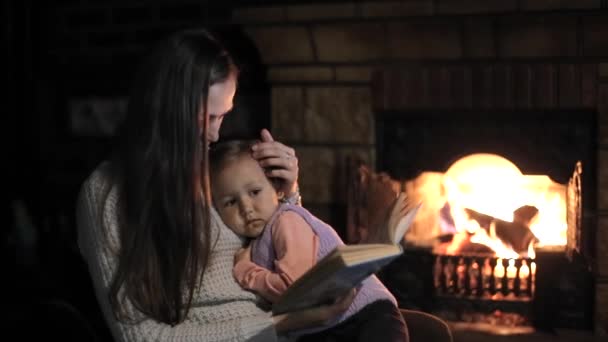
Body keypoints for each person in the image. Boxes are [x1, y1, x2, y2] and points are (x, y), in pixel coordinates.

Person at [75, 29, 355, 342]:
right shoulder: (105, 194)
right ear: (166, 114)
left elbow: (277, 256)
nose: (215, 135)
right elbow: (142, 336)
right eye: (205, 119)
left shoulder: (220, 172)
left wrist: (287, 196)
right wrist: (281, 324)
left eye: (222, 117)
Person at [209, 139, 409, 342]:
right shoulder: (255, 240)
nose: (246, 208)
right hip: (329, 326)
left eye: (255, 192)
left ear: (278, 189)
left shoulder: (286, 221)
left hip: (367, 317)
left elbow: (292, 288)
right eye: (231, 202)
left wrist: (246, 271)